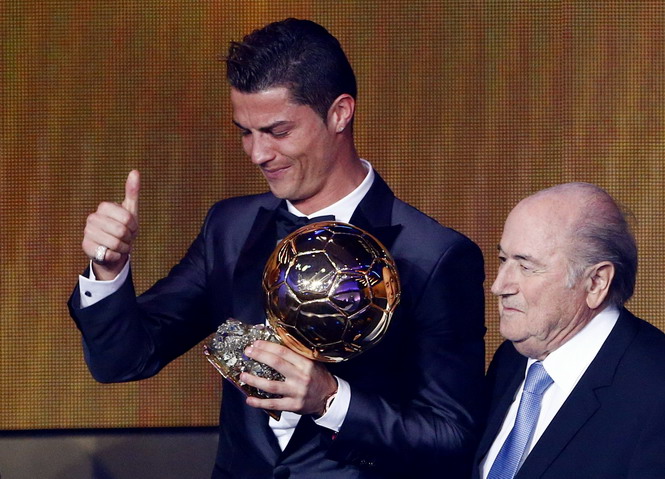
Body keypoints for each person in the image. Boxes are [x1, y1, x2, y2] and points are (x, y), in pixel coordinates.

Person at [68, 18, 486, 478]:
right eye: (246, 131)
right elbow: (123, 360)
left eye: (278, 131)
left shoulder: (434, 255)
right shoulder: (230, 227)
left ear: (340, 113)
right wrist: (108, 269)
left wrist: (331, 400)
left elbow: (451, 436)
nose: (257, 154)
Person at [474, 183, 665, 479]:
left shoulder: (655, 391)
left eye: (526, 267)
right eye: (503, 260)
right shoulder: (511, 359)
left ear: (596, 282)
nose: (499, 286)